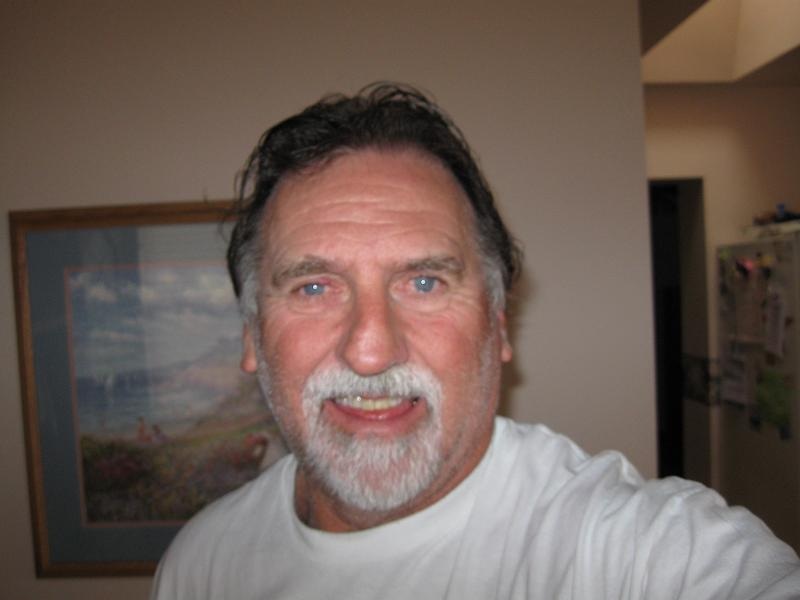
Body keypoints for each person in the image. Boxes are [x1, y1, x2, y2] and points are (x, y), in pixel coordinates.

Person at [151, 83, 800, 599]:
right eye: (314, 287)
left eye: (425, 282)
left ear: (498, 324)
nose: (370, 351)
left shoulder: (632, 552)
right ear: (253, 336)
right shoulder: (201, 566)